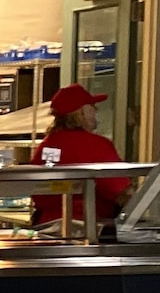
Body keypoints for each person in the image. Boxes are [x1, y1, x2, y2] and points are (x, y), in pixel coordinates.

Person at [31, 82, 129, 231]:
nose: (96, 112)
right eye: (92, 108)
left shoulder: (48, 143)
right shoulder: (95, 144)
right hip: (86, 228)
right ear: (82, 112)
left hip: (46, 227)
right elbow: (121, 190)